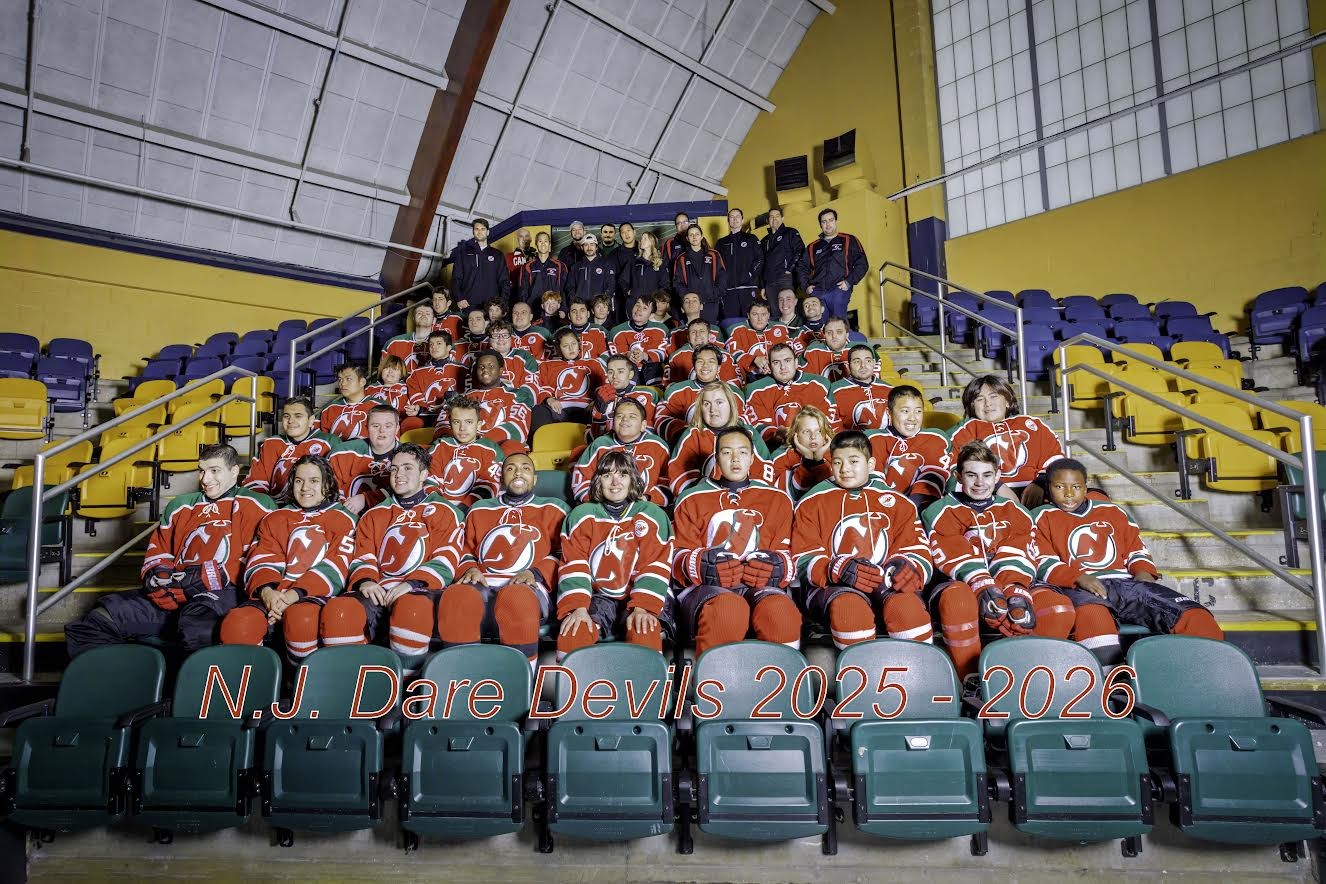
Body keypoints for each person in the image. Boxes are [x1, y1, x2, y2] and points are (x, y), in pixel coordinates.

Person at [65, 445, 275, 657]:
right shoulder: (180, 505)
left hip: (224, 594)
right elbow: (160, 551)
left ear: (234, 471)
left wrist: (207, 578)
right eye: (201, 471)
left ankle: (190, 679)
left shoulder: (256, 503)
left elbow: (262, 558)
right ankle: (128, 676)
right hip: (176, 592)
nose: (205, 479)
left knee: (197, 624)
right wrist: (156, 577)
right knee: (99, 619)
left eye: (214, 470)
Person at [1032, 459, 1224, 665]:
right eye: (1059, 487)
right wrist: (1078, 577)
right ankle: (1111, 680)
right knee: (1094, 617)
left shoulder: (1113, 512)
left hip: (1125, 583)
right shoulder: (1039, 516)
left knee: (1194, 615)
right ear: (1048, 488)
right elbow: (1042, 561)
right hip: (1078, 587)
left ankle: (1209, 671)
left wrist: (1143, 572)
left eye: (1076, 487)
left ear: (1085, 488)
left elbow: (1136, 550)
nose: (1069, 494)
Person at [921, 441, 1075, 678]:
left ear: (997, 476)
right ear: (958, 476)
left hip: (1013, 580)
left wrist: (1013, 588)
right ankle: (971, 679)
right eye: (971, 475)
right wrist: (985, 586)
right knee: (957, 602)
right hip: (962, 583)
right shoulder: (939, 510)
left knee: (1058, 608)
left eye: (987, 475)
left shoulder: (1016, 511)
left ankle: (1029, 677)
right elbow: (950, 551)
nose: (980, 482)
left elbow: (1023, 549)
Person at [320, 444, 465, 672]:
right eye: (395, 469)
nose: (399, 474)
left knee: (410, 608)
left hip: (423, 590)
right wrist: (366, 581)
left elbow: (447, 557)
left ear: (424, 475)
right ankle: (352, 683)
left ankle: (405, 683)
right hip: (379, 590)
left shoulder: (445, 511)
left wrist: (411, 584)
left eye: (408, 468)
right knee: (339, 610)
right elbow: (363, 555)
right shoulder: (374, 514)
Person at [790, 432, 934, 653]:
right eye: (837, 462)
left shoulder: (898, 502)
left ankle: (918, 671)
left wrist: (907, 565)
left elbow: (917, 549)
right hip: (834, 588)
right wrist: (835, 568)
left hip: (885, 583)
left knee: (907, 609)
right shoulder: (810, 502)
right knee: (849, 610)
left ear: (871, 464)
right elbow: (802, 558)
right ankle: (861, 672)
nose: (845, 469)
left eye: (854, 461)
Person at [671, 426, 802, 653]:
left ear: (751, 458)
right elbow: (677, 555)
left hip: (759, 586)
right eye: (726, 452)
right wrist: (699, 564)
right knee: (728, 610)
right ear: (716, 457)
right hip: (709, 590)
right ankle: (714, 676)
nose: (735, 459)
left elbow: (789, 552)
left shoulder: (777, 498)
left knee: (780, 612)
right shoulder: (691, 498)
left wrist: (779, 566)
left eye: (742, 452)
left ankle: (782, 675)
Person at [220, 455, 358, 663]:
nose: (305, 488)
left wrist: (293, 596)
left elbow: (337, 565)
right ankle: (252, 682)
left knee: (302, 618)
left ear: (328, 483)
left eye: (314, 481)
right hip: (275, 596)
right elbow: (262, 559)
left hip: (317, 595)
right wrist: (268, 594)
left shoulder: (344, 518)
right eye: (299, 481)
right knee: (238, 622)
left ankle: (302, 677)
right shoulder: (275, 518)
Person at [445, 452, 568, 662]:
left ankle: (521, 674)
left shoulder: (554, 508)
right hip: (482, 584)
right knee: (456, 596)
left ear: (535, 479)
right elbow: (464, 549)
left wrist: (535, 573)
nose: (518, 473)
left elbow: (565, 552)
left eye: (525, 468)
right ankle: (463, 672)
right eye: (511, 468)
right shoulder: (479, 509)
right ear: (501, 478)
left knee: (516, 598)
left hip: (529, 588)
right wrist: (470, 568)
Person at [556, 451, 673, 659]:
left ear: (632, 479)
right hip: (598, 595)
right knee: (574, 632)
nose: (615, 481)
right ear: (598, 480)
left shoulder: (652, 514)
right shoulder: (582, 515)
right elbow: (574, 563)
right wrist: (578, 607)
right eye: (607, 475)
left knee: (644, 629)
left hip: (642, 594)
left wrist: (642, 607)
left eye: (623, 475)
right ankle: (572, 682)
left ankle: (647, 681)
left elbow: (655, 564)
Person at [947, 374, 1065, 507]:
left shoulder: (1031, 424)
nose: (987, 404)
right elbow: (952, 466)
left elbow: (1055, 458)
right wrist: (997, 486)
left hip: (1037, 493)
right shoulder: (965, 429)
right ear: (972, 406)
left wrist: (1040, 483)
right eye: (980, 399)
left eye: (993, 396)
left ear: (1007, 401)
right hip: (986, 496)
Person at [669, 381, 772, 496]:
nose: (713, 409)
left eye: (719, 402)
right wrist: (707, 494)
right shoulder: (692, 435)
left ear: (731, 405)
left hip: (748, 499)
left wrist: (749, 497)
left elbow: (764, 469)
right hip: (706, 500)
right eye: (706, 404)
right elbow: (678, 474)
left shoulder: (748, 432)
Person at [572, 397, 670, 506]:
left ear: (643, 425)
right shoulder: (599, 445)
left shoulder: (658, 446)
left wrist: (647, 498)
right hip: (603, 508)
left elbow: (669, 483)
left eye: (632, 416)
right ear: (613, 423)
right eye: (619, 416)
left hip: (646, 508)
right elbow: (580, 480)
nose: (625, 419)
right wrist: (602, 502)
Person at [867, 385, 951, 510]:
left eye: (918, 411)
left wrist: (911, 511)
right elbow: (874, 482)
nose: (912, 418)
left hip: (923, 509)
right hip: (883, 508)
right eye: (905, 411)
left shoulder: (936, 438)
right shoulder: (872, 439)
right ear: (889, 412)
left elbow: (932, 480)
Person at [743, 343, 832, 448]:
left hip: (818, 445)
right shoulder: (755, 390)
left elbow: (829, 422)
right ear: (769, 366)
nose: (783, 367)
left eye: (787, 360)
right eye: (776, 362)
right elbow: (759, 426)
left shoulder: (819, 384)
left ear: (796, 362)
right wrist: (775, 434)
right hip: (779, 449)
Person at [244, 396, 336, 497]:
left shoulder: (328, 442)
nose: (290, 421)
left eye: (298, 416)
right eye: (286, 416)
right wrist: (265, 503)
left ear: (311, 420)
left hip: (312, 503)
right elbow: (256, 482)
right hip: (274, 504)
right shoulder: (272, 443)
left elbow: (336, 482)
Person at [427, 395, 505, 510]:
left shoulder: (491, 449)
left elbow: (489, 485)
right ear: (450, 424)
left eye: (469, 422)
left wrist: (463, 510)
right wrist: (441, 509)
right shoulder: (440, 446)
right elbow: (430, 480)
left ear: (479, 424)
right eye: (456, 422)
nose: (462, 428)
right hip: (440, 510)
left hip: (476, 510)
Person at [656, 344, 739, 445]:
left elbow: (741, 422)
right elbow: (661, 419)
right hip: (690, 445)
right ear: (694, 366)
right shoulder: (676, 391)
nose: (705, 365)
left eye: (711, 361)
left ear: (719, 367)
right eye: (700, 361)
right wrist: (686, 433)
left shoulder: (734, 393)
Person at [795, 208, 868, 320]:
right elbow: (801, 267)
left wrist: (848, 282)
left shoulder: (849, 240)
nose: (828, 224)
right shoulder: (812, 247)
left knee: (838, 323)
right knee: (819, 325)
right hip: (817, 291)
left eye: (831, 220)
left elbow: (862, 263)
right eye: (824, 221)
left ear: (836, 222)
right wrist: (806, 287)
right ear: (820, 225)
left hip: (838, 290)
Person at [328, 404, 401, 515]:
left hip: (392, 518)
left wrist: (366, 498)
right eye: (375, 426)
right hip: (346, 515)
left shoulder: (410, 456)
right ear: (367, 428)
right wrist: (345, 511)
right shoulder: (342, 452)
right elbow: (327, 488)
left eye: (388, 426)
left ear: (397, 429)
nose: (382, 431)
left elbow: (417, 492)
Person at [531, 327, 606, 431]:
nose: (571, 348)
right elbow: (542, 386)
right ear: (558, 348)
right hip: (560, 409)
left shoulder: (593, 363)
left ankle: (596, 439)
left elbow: (604, 385)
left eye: (574, 344)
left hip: (587, 409)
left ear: (579, 344)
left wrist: (596, 402)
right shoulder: (548, 366)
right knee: (538, 411)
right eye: (565, 346)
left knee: (603, 409)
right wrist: (549, 399)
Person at [455, 351, 535, 446]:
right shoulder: (464, 397)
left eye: (491, 366)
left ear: (500, 370)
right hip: (464, 448)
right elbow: (447, 426)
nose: (485, 370)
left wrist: (481, 443)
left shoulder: (518, 395)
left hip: (502, 448)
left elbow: (517, 426)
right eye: (481, 367)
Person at [768, 405, 834, 501]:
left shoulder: (836, 455)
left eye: (819, 431)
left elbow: (834, 492)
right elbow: (786, 495)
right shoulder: (781, 456)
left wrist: (819, 460)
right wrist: (808, 460)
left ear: (826, 435)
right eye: (806, 431)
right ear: (795, 435)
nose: (813, 436)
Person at [590, 353, 658, 437]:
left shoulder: (647, 394)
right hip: (608, 444)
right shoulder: (602, 397)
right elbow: (593, 438)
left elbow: (649, 432)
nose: (614, 376)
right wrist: (599, 414)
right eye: (610, 372)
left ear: (630, 374)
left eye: (620, 371)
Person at [829, 344, 894, 431]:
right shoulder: (834, 391)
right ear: (848, 366)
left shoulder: (890, 390)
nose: (863, 365)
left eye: (868, 361)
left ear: (874, 363)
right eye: (857, 361)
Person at [608, 296, 670, 386]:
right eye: (637, 305)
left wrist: (644, 356)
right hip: (628, 370)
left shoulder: (660, 329)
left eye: (645, 308)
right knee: (625, 366)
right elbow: (614, 357)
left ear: (651, 315)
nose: (639, 309)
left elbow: (662, 354)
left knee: (654, 366)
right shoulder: (617, 331)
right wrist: (628, 355)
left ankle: (656, 390)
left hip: (651, 370)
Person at [726, 300, 795, 380]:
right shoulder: (736, 330)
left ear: (768, 315)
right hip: (749, 378)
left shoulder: (780, 328)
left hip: (778, 374)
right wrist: (753, 359)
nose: (760, 319)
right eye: (755, 314)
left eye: (763, 314)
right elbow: (733, 354)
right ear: (748, 315)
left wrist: (773, 365)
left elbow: (789, 353)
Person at [452, 218, 511, 312]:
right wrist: (459, 298)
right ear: (473, 232)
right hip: (468, 304)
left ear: (488, 232)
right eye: (477, 229)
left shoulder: (497, 255)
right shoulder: (463, 254)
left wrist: (503, 302)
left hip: (491, 306)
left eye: (482, 229)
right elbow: (456, 278)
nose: (479, 232)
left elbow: (504, 281)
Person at [671, 225, 726, 324]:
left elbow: (722, 276)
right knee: (693, 331)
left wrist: (714, 293)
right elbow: (678, 282)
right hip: (692, 306)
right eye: (691, 235)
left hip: (711, 302)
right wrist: (688, 299)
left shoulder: (714, 255)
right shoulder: (681, 258)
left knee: (711, 331)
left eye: (697, 234)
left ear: (701, 236)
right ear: (687, 238)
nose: (694, 237)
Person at [715, 208, 763, 320]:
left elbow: (760, 259)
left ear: (742, 220)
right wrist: (723, 282)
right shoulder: (721, 243)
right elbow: (717, 266)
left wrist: (750, 274)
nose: (735, 219)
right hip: (729, 290)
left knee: (751, 320)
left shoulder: (751, 239)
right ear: (728, 220)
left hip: (747, 288)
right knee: (731, 322)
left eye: (737, 216)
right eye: (732, 217)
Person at [319, 363, 385, 441]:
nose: (342, 383)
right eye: (340, 379)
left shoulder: (380, 407)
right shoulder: (330, 409)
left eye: (348, 379)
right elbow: (321, 441)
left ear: (362, 382)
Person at [666, 319, 738, 385]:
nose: (698, 335)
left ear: (709, 335)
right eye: (693, 332)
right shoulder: (676, 357)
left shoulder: (726, 356)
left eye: (702, 331)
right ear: (688, 338)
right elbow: (670, 387)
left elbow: (734, 385)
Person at [760, 207, 805, 299]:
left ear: (782, 218)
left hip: (785, 278)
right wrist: (762, 285)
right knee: (774, 307)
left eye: (777, 216)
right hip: (769, 281)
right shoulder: (764, 240)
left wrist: (790, 270)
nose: (774, 219)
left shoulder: (790, 232)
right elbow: (761, 263)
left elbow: (800, 251)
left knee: (787, 305)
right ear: (768, 220)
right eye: (771, 216)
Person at [518, 232, 568, 310]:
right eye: (540, 241)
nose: (543, 244)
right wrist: (525, 309)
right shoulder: (527, 266)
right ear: (536, 244)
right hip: (533, 309)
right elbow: (523, 291)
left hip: (553, 309)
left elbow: (564, 290)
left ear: (549, 245)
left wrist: (563, 310)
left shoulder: (560, 266)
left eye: (546, 241)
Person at [563, 234, 617, 305]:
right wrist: (574, 301)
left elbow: (610, 286)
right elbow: (569, 287)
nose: (589, 248)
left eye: (592, 244)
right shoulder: (575, 267)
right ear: (582, 247)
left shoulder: (606, 265)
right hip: (581, 307)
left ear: (596, 247)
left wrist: (603, 303)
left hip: (599, 306)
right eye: (586, 245)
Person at [380, 302, 435, 371]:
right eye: (419, 313)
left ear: (434, 320)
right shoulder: (394, 343)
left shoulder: (440, 344)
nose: (423, 315)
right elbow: (384, 371)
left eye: (428, 314)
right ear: (413, 318)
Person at [485, 320, 539, 390]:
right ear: (489, 339)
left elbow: (532, 386)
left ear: (511, 337)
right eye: (496, 335)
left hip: (520, 396)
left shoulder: (524, 356)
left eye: (505, 335)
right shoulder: (482, 359)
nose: (501, 339)